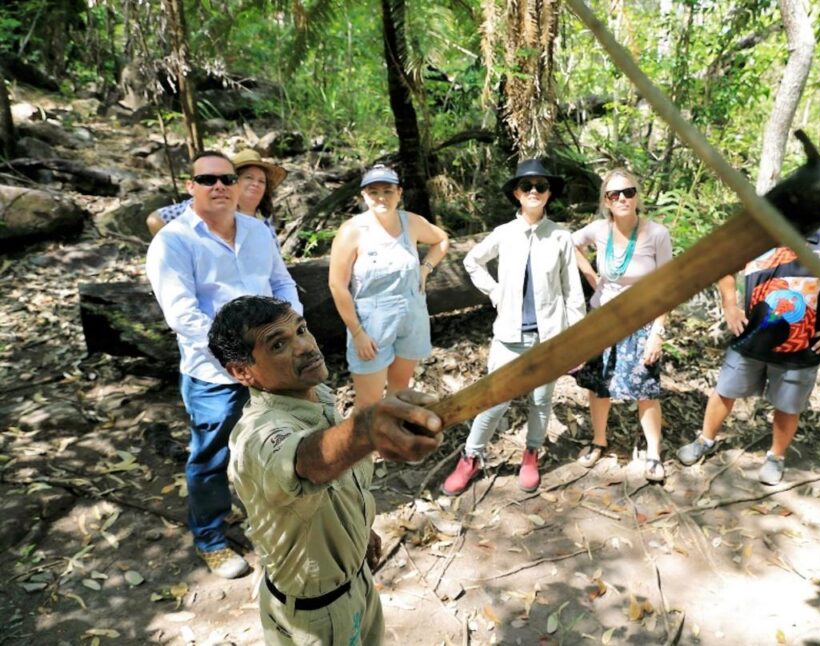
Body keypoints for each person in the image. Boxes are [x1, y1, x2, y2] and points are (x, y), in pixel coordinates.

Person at [208, 295, 443, 646]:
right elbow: (305, 462)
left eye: (301, 330)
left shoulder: (315, 393)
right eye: (278, 344)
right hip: (317, 618)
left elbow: (336, 484)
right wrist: (366, 430)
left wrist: (359, 533)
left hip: (356, 582)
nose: (304, 346)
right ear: (243, 371)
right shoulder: (256, 435)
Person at [146, 150, 303, 578]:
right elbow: (183, 315)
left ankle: (266, 521)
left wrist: (289, 327)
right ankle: (211, 538)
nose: (219, 186)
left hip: (270, 365)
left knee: (270, 444)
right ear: (190, 187)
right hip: (213, 374)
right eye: (208, 179)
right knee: (211, 456)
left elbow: (280, 281)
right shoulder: (174, 241)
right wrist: (237, 358)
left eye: (227, 179)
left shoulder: (256, 231)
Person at [676, 226, 820, 485]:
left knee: (787, 406)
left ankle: (776, 457)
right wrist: (730, 305)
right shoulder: (756, 234)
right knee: (725, 391)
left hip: (801, 348)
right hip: (749, 338)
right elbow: (724, 266)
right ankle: (705, 440)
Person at [442, 159, 586, 496]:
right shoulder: (504, 234)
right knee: (493, 402)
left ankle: (531, 453)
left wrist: (577, 340)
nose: (534, 191)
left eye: (541, 186)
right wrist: (494, 291)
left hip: (548, 337)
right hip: (509, 336)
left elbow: (572, 292)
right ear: (517, 194)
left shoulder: (561, 237)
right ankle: (471, 457)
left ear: (549, 194)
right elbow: (471, 261)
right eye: (527, 186)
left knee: (540, 400)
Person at [571, 168, 673, 482]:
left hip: (641, 321)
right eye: (615, 194)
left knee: (645, 387)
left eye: (628, 191)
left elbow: (668, 286)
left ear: (637, 195)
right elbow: (569, 245)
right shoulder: (599, 229)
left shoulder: (656, 233)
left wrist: (658, 332)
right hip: (602, 318)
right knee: (598, 384)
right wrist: (591, 277)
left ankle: (653, 452)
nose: (622, 198)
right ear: (606, 200)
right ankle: (599, 440)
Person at [328, 164, 449, 409]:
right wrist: (358, 333)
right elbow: (337, 285)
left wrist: (425, 268)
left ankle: (391, 447)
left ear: (399, 193)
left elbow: (441, 239)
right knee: (369, 404)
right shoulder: (351, 230)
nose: (381, 197)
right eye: (373, 191)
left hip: (412, 316)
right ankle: (359, 447)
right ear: (363, 195)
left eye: (388, 190)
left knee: (399, 393)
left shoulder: (411, 222)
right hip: (371, 324)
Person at [145, 149, 287, 237]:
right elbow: (155, 219)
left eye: (261, 181)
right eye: (248, 178)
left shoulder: (263, 216)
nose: (255, 184)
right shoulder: (209, 207)